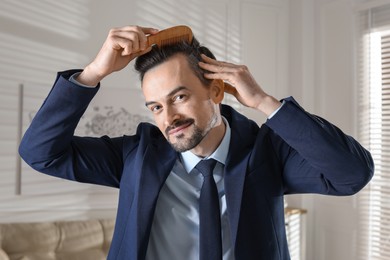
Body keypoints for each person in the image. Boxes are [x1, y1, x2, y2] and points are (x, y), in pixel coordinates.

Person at [19, 25, 374, 260]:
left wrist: (266, 102)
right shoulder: (135, 155)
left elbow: (352, 173)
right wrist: (93, 72)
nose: (167, 117)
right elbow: (40, 153)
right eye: (156, 106)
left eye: (180, 97)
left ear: (216, 91)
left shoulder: (267, 153)